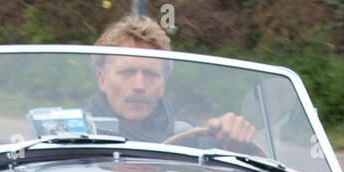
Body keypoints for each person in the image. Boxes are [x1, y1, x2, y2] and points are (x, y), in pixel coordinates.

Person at [90, 15, 257, 151]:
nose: (139, 86)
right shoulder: (74, 137)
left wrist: (232, 139)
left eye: (151, 74)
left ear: (163, 83)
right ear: (102, 79)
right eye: (127, 72)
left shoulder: (190, 139)